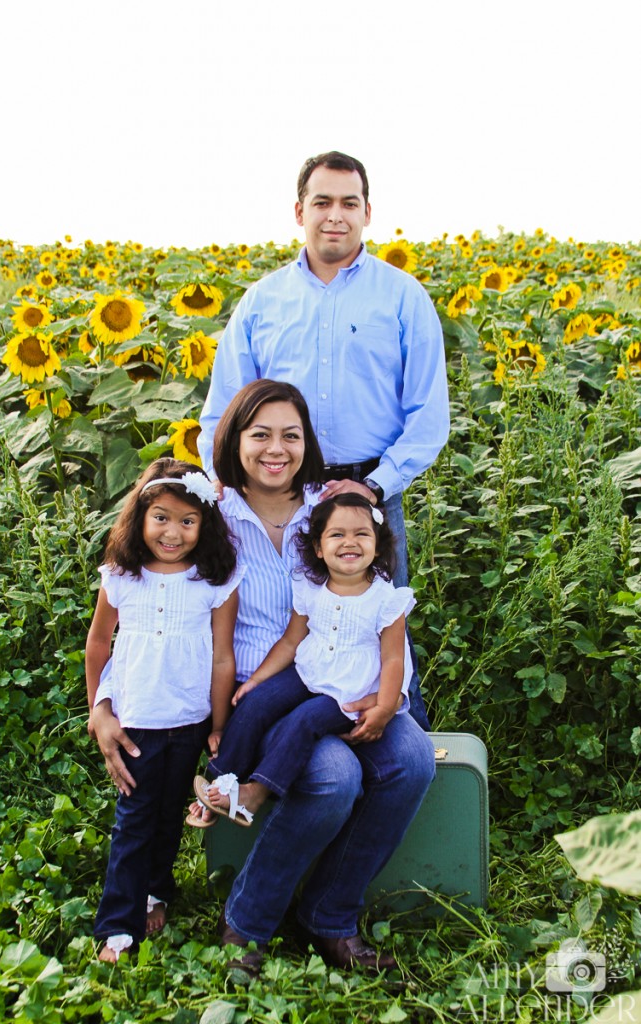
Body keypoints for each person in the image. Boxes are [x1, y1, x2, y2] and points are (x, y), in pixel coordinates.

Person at [93, 380, 435, 974]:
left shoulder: (333, 507)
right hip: (260, 686)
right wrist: (106, 703)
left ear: (308, 444)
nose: (276, 448)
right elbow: (146, 606)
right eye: (260, 434)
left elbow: (381, 604)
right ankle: (247, 922)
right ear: (234, 439)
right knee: (334, 779)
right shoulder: (207, 512)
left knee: (411, 760)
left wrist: (389, 693)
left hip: (349, 677)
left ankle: (329, 914)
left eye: (291, 435)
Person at [198, 150, 450, 729]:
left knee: (380, 634)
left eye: (348, 203)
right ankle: (261, 755)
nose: (335, 215)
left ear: (367, 213)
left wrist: (373, 487)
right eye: (322, 202)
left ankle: (395, 753)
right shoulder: (263, 301)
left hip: (367, 491)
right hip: (276, 492)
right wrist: (226, 486)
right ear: (299, 211)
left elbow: (428, 416)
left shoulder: (403, 296)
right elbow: (222, 410)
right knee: (275, 625)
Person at [86, 457, 242, 963]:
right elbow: (97, 645)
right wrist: (98, 709)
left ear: (205, 524)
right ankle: (118, 927)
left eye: (187, 521)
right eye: (161, 517)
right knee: (134, 818)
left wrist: (219, 724)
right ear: (140, 516)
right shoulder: (122, 576)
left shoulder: (214, 580)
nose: (172, 532)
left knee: (169, 814)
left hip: (190, 719)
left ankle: (156, 890)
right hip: (137, 721)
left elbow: (222, 657)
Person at [192, 494, 415, 827]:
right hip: (309, 672)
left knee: (305, 720)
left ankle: (255, 794)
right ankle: (220, 782)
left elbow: (395, 659)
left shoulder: (387, 599)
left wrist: (384, 708)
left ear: (378, 546)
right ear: (319, 548)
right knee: (256, 702)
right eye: (337, 535)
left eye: (362, 534)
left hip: (347, 692)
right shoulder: (311, 586)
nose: (349, 542)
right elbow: (291, 641)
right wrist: (256, 680)